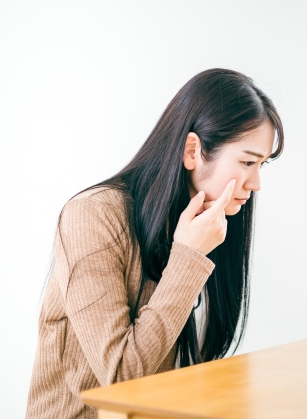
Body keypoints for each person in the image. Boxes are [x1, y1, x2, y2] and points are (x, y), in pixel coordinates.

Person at [25, 68, 284, 418]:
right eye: (248, 161)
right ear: (192, 150)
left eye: (262, 165)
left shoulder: (209, 223)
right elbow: (122, 379)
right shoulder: (92, 215)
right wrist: (188, 258)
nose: (256, 183)